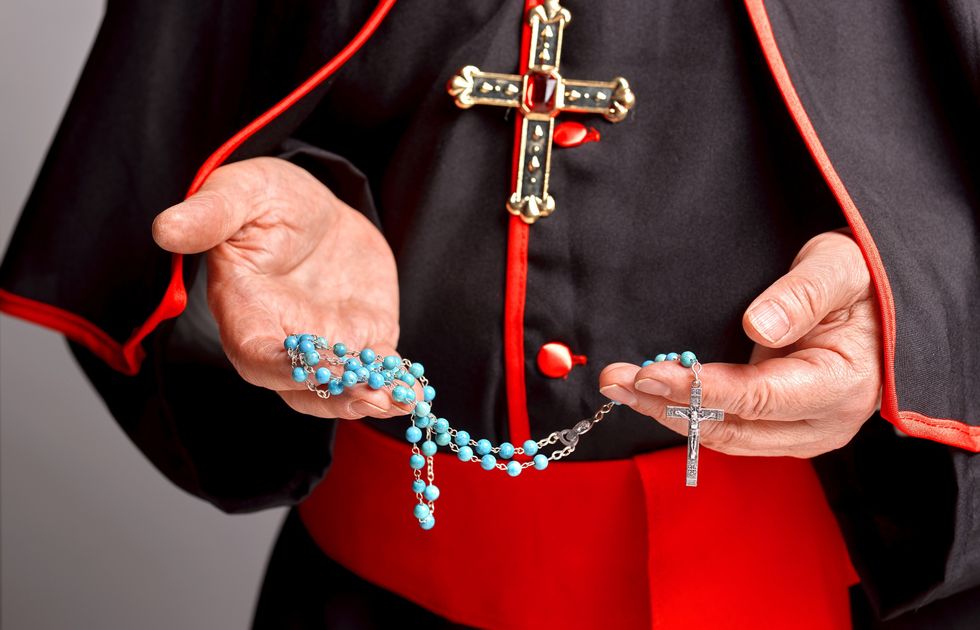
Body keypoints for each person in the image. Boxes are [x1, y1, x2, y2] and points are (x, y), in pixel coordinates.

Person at [1, 0, 977, 627]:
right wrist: (228, 275)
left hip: (838, 596)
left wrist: (917, 317)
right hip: (371, 602)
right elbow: (153, 179)